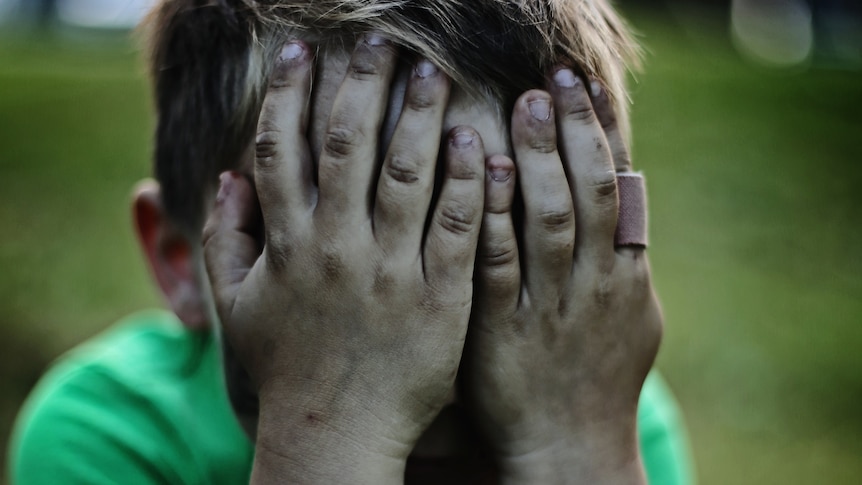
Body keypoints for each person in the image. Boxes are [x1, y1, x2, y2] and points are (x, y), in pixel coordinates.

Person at [8, 0, 694, 483]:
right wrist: (327, 432)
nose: (428, 365)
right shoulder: (115, 435)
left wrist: (570, 449)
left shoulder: (602, 410)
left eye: (502, 260)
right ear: (180, 260)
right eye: (341, 266)